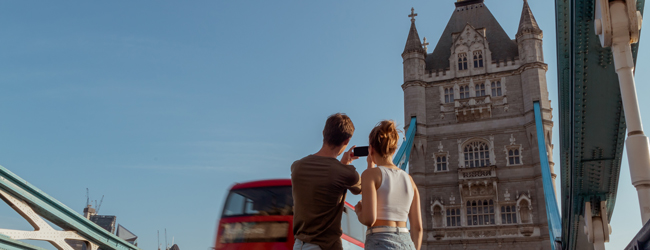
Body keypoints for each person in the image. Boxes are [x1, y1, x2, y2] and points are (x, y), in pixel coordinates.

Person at [291, 113, 362, 250]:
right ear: (346, 141)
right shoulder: (346, 173)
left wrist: (342, 165)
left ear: (324, 133)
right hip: (325, 246)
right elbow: (363, 188)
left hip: (299, 245)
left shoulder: (297, 167)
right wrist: (346, 165)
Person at [354, 120, 422, 250]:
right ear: (394, 149)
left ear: (371, 149)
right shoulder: (409, 180)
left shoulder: (370, 175)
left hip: (380, 241)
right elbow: (417, 228)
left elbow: (369, 219)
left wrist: (359, 211)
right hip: (406, 242)